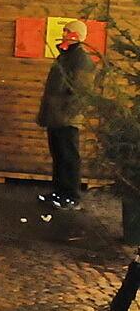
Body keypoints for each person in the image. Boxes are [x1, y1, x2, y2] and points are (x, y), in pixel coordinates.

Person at [36, 19, 95, 210]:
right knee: (59, 155)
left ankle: (71, 196)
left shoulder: (81, 60)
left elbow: (81, 91)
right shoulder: (65, 56)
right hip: (56, 117)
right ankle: (59, 192)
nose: (63, 33)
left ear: (76, 35)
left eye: (67, 30)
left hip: (67, 119)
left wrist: (68, 114)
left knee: (69, 157)